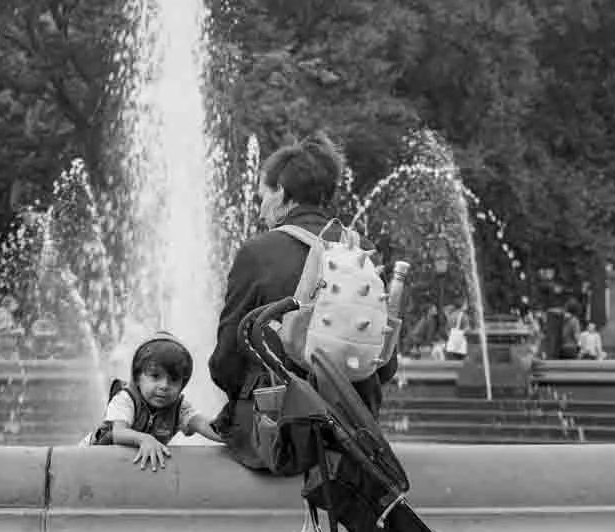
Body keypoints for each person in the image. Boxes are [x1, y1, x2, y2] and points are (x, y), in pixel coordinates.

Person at [209, 132, 397, 461]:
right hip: (352, 430)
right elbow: (384, 363)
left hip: (280, 431)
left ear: (281, 192)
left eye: (263, 195)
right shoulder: (364, 252)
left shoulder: (258, 252)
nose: (261, 207)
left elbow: (227, 358)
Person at [82, 331, 221, 470]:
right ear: (137, 378)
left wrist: (232, 436)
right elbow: (119, 433)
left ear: (182, 384)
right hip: (90, 457)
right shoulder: (125, 400)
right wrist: (145, 439)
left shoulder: (179, 409)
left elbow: (203, 424)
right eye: (155, 376)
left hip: (127, 468)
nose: (164, 386)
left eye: (173, 380)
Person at [0, 295, 23, 360]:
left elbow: (6, 329)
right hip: (4, 349)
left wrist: (16, 330)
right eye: (14, 303)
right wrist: (18, 331)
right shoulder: (4, 315)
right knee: (8, 368)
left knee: (12, 367)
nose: (16, 305)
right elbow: (2, 332)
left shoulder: (7, 314)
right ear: (9, 304)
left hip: (8, 348)